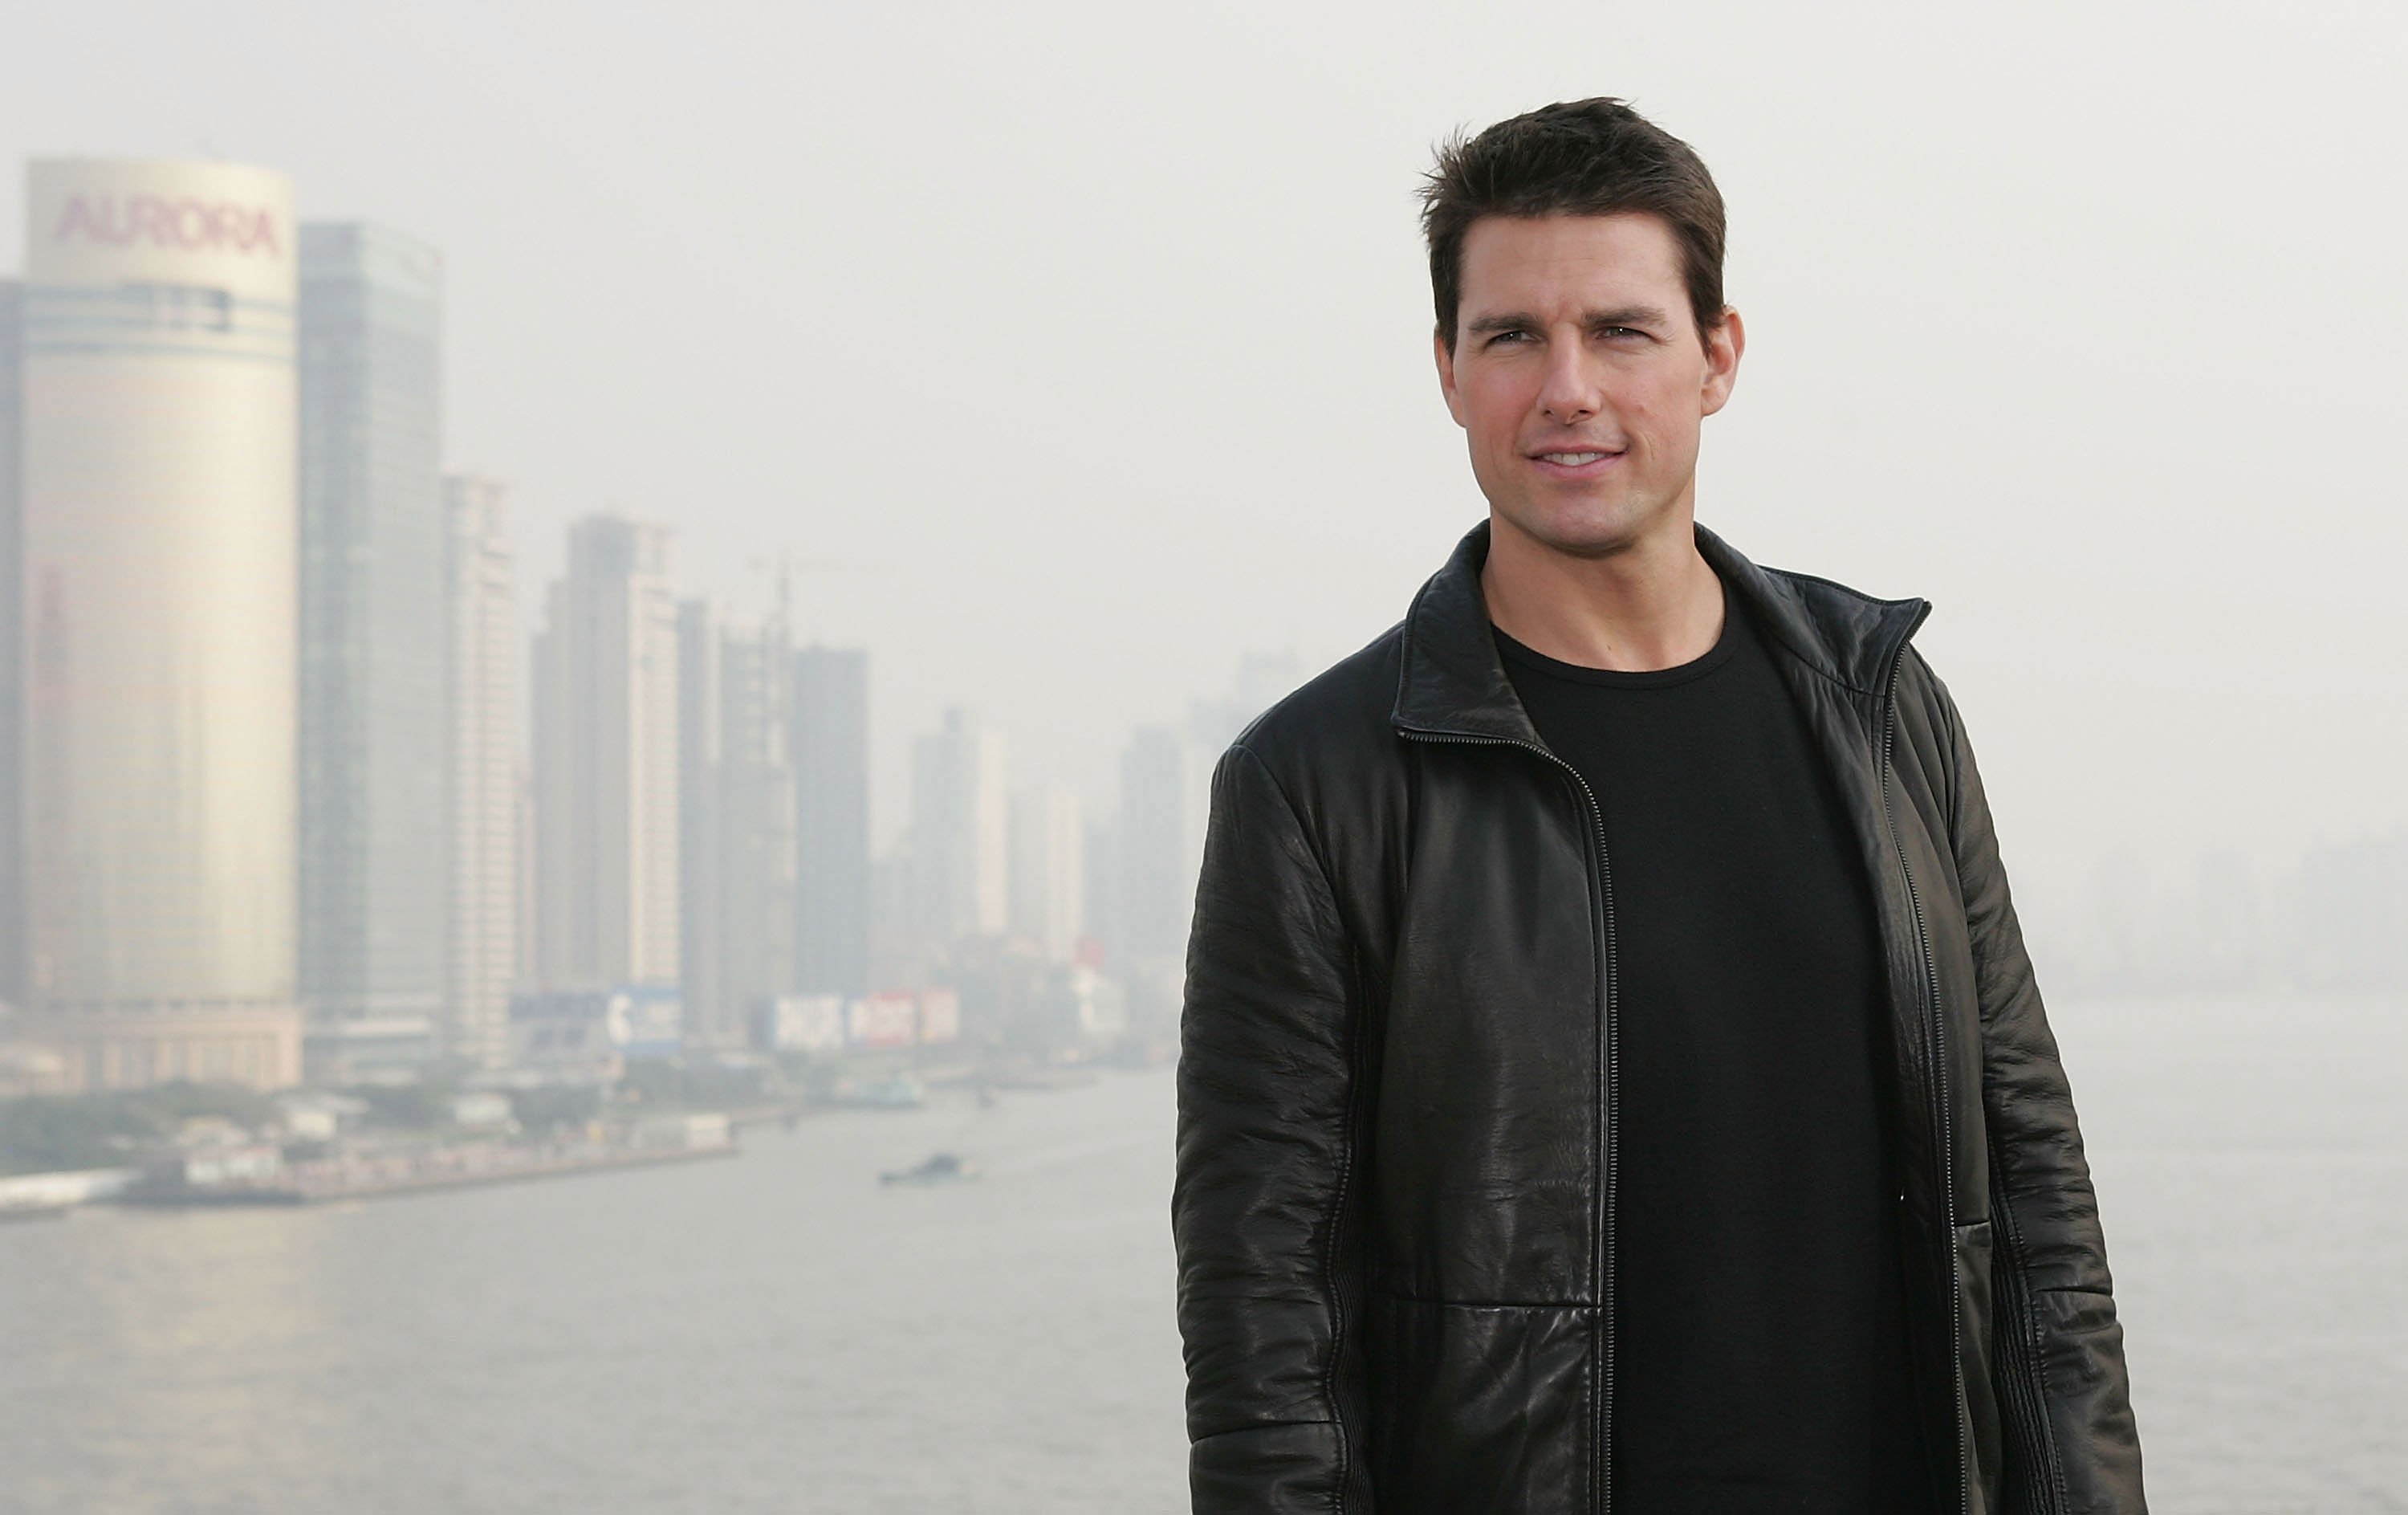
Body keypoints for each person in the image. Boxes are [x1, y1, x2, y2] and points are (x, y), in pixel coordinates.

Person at [1171, 97, 2144, 1514]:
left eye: (1621, 331)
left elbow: (2041, 1209)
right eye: (1512, 335)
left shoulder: (1880, 706)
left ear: (1717, 357)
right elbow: (1265, 1336)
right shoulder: (1315, 787)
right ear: (1448, 370)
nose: (1567, 386)